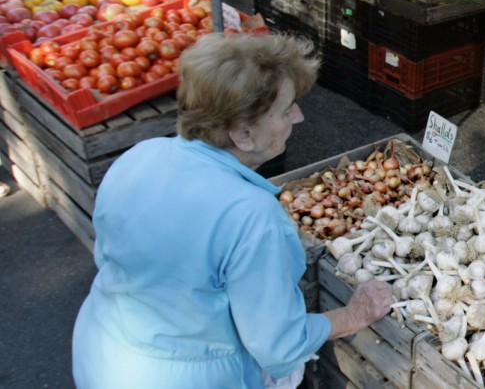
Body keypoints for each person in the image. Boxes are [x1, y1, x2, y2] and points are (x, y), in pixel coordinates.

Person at [72, 34, 393, 389]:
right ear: (243, 135)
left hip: (102, 356)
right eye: (287, 110)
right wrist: (356, 313)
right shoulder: (251, 215)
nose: (299, 117)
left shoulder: (138, 156)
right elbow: (279, 346)